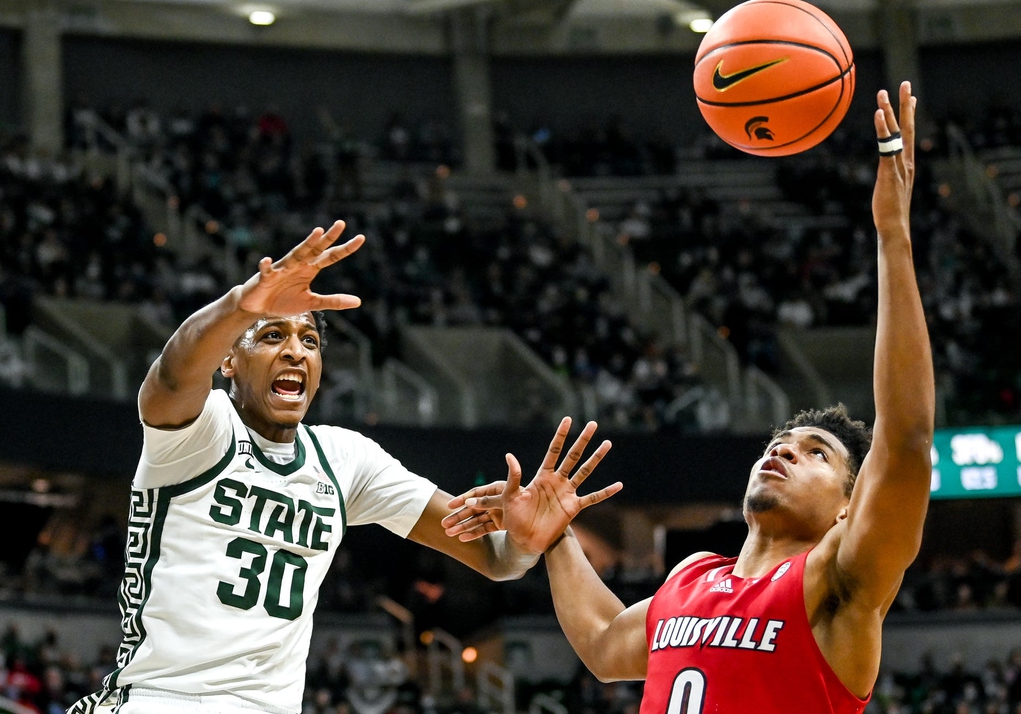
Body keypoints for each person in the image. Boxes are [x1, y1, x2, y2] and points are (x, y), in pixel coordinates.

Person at [443, 83, 933, 713]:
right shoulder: (693, 575)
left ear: (848, 508)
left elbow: (907, 439)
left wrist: (893, 237)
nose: (783, 452)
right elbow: (599, 642)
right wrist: (557, 540)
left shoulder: (838, 582)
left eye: (817, 454)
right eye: (780, 443)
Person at [68, 222, 616, 714]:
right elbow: (169, 377)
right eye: (272, 336)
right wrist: (243, 305)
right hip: (162, 700)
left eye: (309, 340)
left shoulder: (345, 460)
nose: (295, 352)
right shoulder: (201, 430)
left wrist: (525, 542)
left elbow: (495, 561)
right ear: (229, 362)